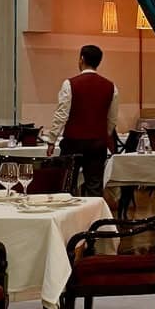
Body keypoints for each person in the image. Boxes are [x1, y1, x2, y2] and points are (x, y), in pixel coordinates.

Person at [44, 44, 119, 198]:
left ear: (82, 59)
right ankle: (94, 212)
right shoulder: (111, 87)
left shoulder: (70, 84)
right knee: (94, 186)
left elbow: (61, 115)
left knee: (67, 184)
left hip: (73, 142)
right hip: (97, 143)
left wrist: (52, 139)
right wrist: (103, 134)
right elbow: (112, 119)